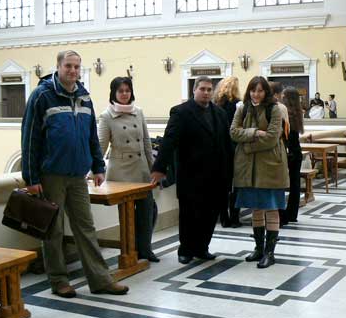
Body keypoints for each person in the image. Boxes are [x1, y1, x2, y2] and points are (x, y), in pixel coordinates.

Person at [21, 50, 128, 298]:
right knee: (53, 230)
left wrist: (98, 167)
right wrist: (32, 178)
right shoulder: (42, 96)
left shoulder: (84, 97)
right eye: (68, 66)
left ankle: (101, 279)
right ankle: (59, 281)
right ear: (58, 67)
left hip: (78, 175)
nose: (72, 71)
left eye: (77, 67)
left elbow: (92, 136)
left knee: (86, 228)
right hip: (51, 176)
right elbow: (30, 139)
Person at [151, 77, 232, 265]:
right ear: (194, 90)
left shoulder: (219, 113)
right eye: (202, 89)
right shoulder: (181, 112)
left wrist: (230, 172)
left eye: (209, 89)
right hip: (191, 174)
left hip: (216, 174)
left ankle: (202, 247)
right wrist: (159, 167)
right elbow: (169, 140)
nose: (206, 92)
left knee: (210, 213)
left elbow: (227, 145)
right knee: (189, 214)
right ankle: (185, 249)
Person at [230, 76, 289, 269]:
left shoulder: (275, 109)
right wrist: (254, 132)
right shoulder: (242, 108)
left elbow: (272, 138)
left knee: (271, 208)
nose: (256, 94)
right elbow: (233, 132)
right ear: (249, 91)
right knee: (256, 208)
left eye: (260, 90)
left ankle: (270, 253)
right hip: (248, 168)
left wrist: (247, 146)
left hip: (270, 165)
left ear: (266, 92)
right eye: (253, 90)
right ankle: (258, 248)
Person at [98, 77, 159, 262]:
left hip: (141, 170)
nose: (125, 94)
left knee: (147, 210)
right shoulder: (106, 115)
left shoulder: (138, 112)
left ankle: (146, 249)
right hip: (120, 172)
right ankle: (130, 251)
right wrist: (93, 169)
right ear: (113, 93)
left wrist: (153, 169)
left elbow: (147, 143)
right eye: (120, 91)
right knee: (127, 215)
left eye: (127, 90)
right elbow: (101, 145)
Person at [213, 76, 242, 228]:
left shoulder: (215, 104)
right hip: (234, 147)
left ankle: (223, 217)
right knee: (236, 185)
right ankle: (235, 217)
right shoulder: (237, 104)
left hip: (219, 149)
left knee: (222, 186)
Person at [280, 87, 304, 225]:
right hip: (297, 152)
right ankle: (292, 214)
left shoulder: (286, 113)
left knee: (282, 184)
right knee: (295, 184)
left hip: (288, 153)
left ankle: (283, 214)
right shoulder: (297, 112)